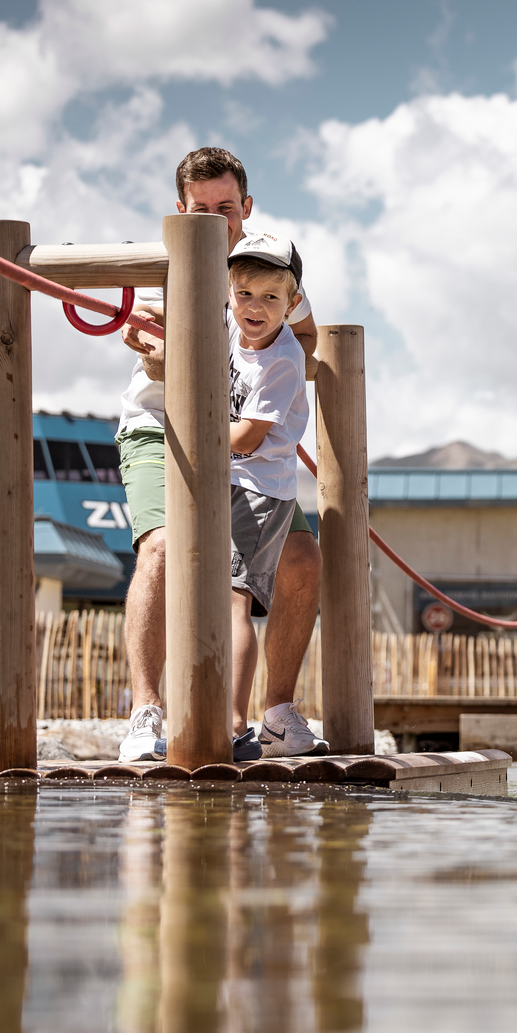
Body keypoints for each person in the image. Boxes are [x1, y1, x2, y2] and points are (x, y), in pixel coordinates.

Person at [117, 149, 323, 763]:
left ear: (246, 208)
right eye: (199, 209)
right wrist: (153, 347)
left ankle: (276, 715)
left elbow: (305, 336)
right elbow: (146, 337)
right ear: (180, 211)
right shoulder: (163, 267)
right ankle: (146, 712)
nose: (213, 220)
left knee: (303, 558)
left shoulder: (266, 270)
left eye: (225, 208)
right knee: (162, 547)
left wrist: (276, 376)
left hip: (237, 445)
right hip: (164, 427)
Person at [220, 233, 322, 756]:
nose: (254, 308)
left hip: (260, 493)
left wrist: (192, 425)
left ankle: (235, 726)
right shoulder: (230, 330)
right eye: (244, 294)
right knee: (225, 599)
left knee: (234, 600)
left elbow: (247, 438)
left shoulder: (282, 359)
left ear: (292, 302)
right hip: (233, 484)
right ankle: (233, 720)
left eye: (270, 298)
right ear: (229, 293)